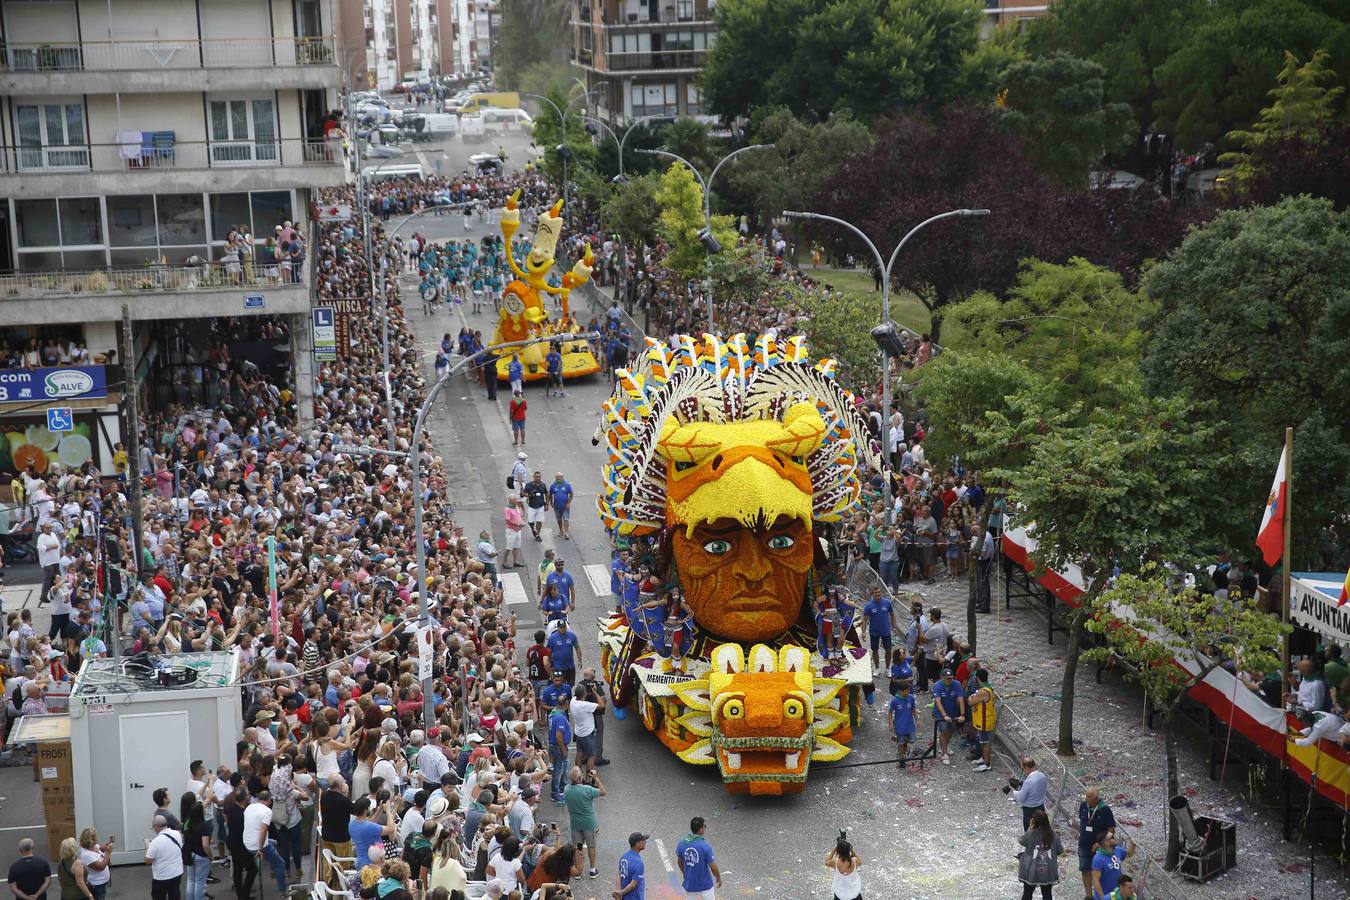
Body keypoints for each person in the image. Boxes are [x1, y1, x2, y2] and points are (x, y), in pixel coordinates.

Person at [242, 790, 287, 898]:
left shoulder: (249, 807)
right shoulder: (267, 811)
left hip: (246, 842)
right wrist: (260, 849)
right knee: (281, 863)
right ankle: (283, 892)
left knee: (274, 843)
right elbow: (263, 831)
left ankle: (273, 870)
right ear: (269, 801)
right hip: (257, 845)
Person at [563, 767, 605, 879]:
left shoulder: (566, 789)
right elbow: (603, 792)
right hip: (589, 823)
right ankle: (592, 870)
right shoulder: (587, 789)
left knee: (578, 846)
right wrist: (596, 778)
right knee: (591, 846)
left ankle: (578, 870)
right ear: (580, 778)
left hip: (575, 823)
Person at [1077, 788, 1117, 900]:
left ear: (1096, 798)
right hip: (1084, 845)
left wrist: (1101, 843)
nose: (1086, 798)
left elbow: (1111, 830)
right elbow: (1082, 822)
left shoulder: (1105, 810)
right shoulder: (1083, 806)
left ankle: (1101, 896)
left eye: (1089, 797)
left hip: (1099, 848)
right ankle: (1089, 896)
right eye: (1086, 796)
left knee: (1098, 872)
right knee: (1085, 870)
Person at [1017, 808, 1064, 900]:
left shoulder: (1031, 833)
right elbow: (1060, 850)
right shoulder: (1053, 835)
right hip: (1048, 869)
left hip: (1032, 869)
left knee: (1027, 893)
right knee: (1047, 894)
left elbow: (1022, 841)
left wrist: (1030, 828)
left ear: (1033, 822)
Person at [676, 817, 720, 900]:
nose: (705, 828)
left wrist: (685, 874)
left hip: (689, 885)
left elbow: (679, 862)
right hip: (705, 885)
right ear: (700, 829)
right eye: (705, 826)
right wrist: (718, 877)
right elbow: (713, 867)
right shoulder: (705, 846)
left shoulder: (682, 843)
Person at [144, 815, 185, 900]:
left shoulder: (155, 842)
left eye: (153, 828)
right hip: (177, 872)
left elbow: (148, 861)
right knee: (175, 895)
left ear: (156, 827)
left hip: (162, 876)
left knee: (159, 897)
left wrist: (147, 847)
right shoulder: (177, 834)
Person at [931, 667, 965, 764]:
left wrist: (962, 714)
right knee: (944, 730)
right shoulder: (937, 685)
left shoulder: (957, 684)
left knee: (951, 731)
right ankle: (944, 753)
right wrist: (944, 715)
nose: (949, 680)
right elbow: (938, 701)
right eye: (947, 678)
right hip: (940, 713)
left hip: (953, 712)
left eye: (951, 678)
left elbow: (961, 699)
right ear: (942, 677)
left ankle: (945, 744)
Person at [1090, 831, 1135, 900]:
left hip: (1117, 894)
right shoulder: (1098, 859)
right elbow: (1095, 880)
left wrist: (1133, 846)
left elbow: (1129, 854)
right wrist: (1102, 898)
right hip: (1106, 895)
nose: (1115, 838)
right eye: (1112, 837)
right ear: (1106, 843)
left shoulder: (1117, 850)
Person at [967, 668, 996, 772]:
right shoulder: (989, 688)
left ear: (977, 678)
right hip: (983, 720)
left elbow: (970, 701)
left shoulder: (982, 691)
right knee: (981, 740)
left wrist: (971, 698)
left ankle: (987, 764)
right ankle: (983, 759)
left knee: (985, 743)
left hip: (984, 721)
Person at [1010, 758, 1049, 829]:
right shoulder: (1042, 775)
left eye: (1023, 769)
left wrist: (1014, 791)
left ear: (1027, 768)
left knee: (1029, 829)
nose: (1024, 771)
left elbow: (1020, 797)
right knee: (1041, 828)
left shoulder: (1028, 781)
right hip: (1041, 807)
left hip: (1030, 810)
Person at [824, 831, 862, 900]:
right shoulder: (854, 860)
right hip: (854, 894)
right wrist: (852, 850)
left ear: (838, 852)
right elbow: (860, 862)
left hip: (840, 895)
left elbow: (826, 862)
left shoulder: (834, 862)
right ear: (849, 851)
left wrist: (834, 851)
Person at [888, 680, 917, 767]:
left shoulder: (911, 698)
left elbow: (913, 709)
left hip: (910, 726)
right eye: (907, 691)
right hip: (900, 727)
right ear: (901, 691)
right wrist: (890, 724)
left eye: (909, 690)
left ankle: (906, 750)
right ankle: (901, 759)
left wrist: (917, 719)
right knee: (900, 743)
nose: (909, 692)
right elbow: (890, 713)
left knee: (911, 741)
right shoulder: (894, 701)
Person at [76, 830, 111, 900]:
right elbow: (101, 867)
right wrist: (108, 853)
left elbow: (101, 849)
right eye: (95, 837)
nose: (97, 839)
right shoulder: (87, 855)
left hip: (102, 881)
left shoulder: (94, 846)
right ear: (91, 840)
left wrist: (108, 844)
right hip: (97, 884)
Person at [614, 832, 647, 900]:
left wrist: (618, 891)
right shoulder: (639, 863)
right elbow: (633, 885)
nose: (645, 842)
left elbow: (619, 873)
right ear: (637, 844)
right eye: (643, 840)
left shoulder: (624, 857)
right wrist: (621, 893)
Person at [523, 473, 549, 541]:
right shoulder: (529, 485)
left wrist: (547, 504)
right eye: (537, 477)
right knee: (530, 521)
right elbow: (522, 493)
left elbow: (546, 493)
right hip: (532, 506)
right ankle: (533, 529)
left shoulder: (543, 485)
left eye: (539, 477)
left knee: (539, 521)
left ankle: (537, 534)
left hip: (540, 506)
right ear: (534, 477)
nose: (538, 478)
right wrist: (527, 495)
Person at [549, 473, 574, 540]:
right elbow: (550, 494)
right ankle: (561, 531)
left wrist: (568, 503)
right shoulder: (553, 485)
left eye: (560, 477)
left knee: (566, 519)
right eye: (557, 477)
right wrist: (551, 503)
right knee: (559, 519)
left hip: (565, 505)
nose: (558, 478)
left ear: (563, 477)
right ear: (555, 478)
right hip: (556, 506)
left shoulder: (567, 485)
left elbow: (571, 494)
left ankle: (566, 532)